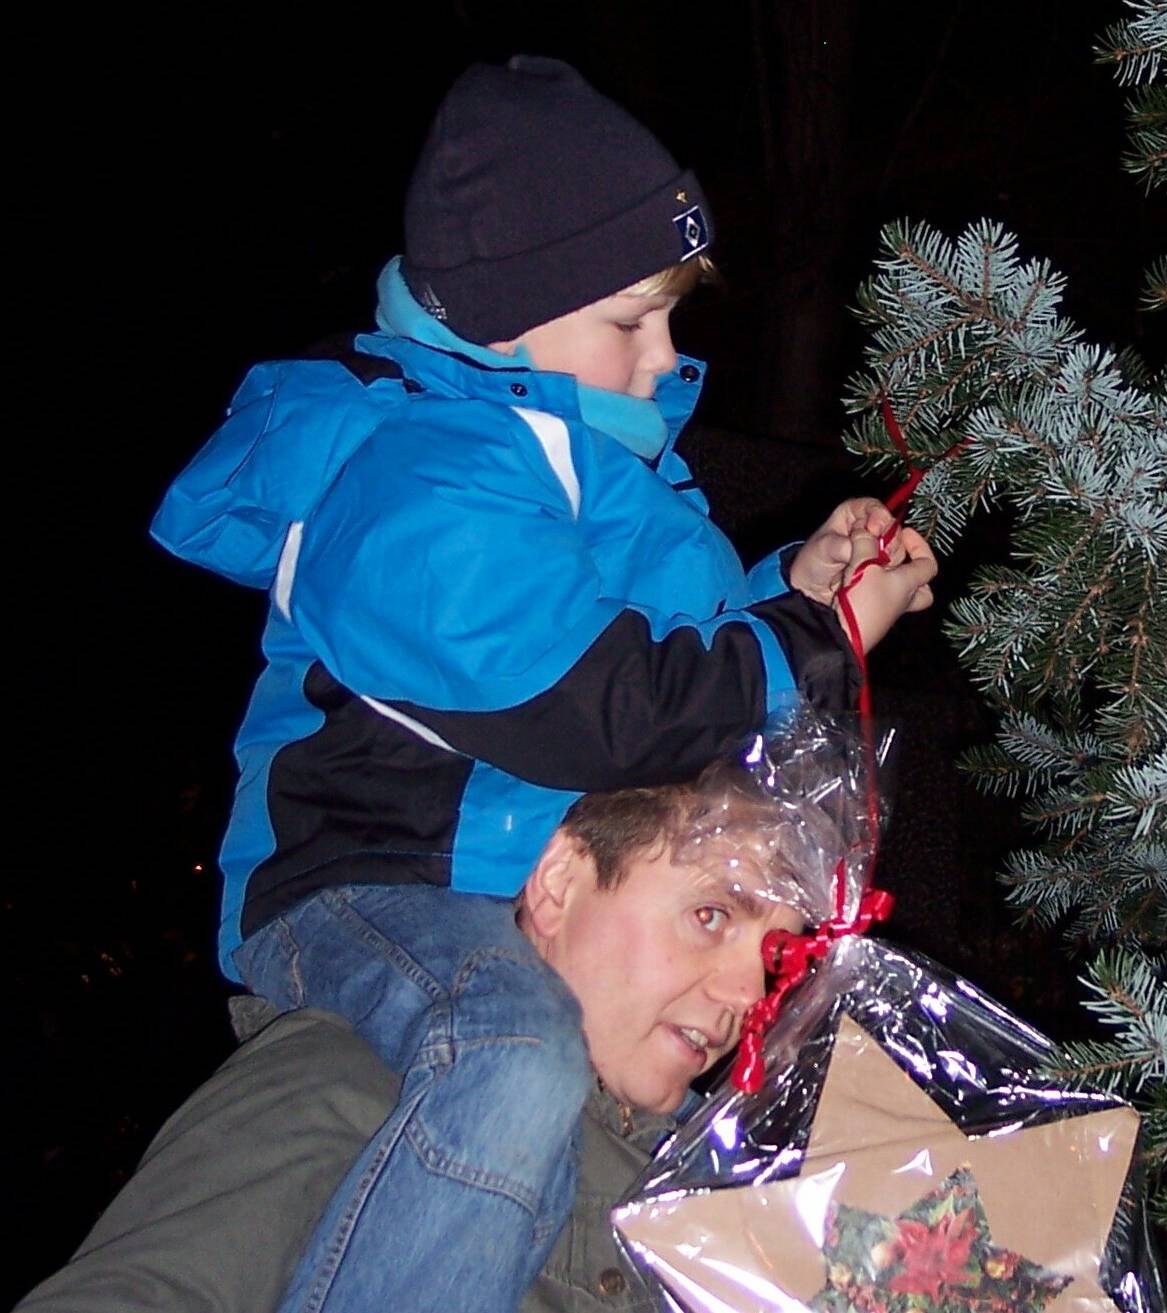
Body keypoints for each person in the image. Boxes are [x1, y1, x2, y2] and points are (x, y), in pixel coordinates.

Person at [146, 55, 937, 1313]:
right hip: (374, 879)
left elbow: (691, 648)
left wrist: (801, 578)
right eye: (631, 319)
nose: (662, 358)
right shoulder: (413, 476)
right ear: (498, 311)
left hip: (503, 894)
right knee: (517, 1054)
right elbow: (607, 709)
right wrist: (814, 634)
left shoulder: (605, 474)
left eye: (670, 318)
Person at [23, 772, 820, 1313]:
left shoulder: (720, 1203)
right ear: (559, 883)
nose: (748, 995)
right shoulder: (374, 1083)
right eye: (710, 915)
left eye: (776, 957)